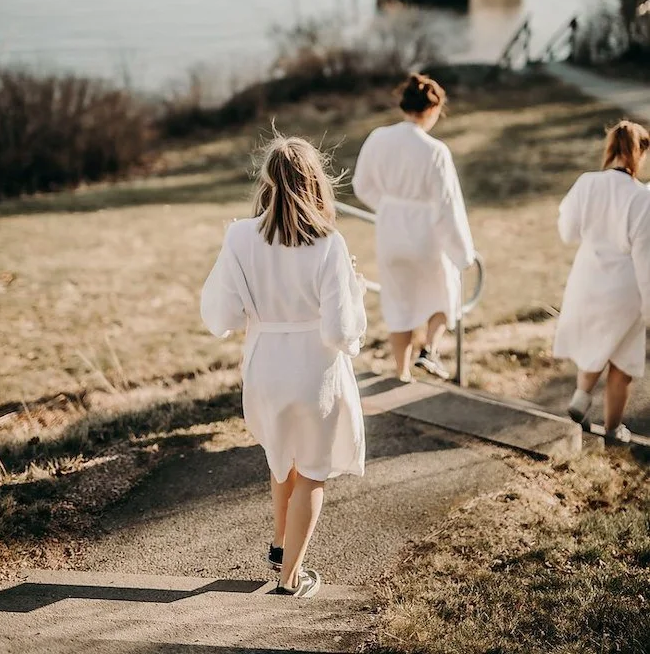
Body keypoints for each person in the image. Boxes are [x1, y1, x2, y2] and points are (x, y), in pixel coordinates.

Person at [200, 135, 366, 598]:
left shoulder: (238, 236)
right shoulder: (330, 243)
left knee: (280, 458)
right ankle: (290, 578)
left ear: (267, 180)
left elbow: (223, 314)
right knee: (312, 470)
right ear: (316, 182)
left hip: (264, 366)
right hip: (314, 370)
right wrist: (354, 288)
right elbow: (341, 330)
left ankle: (279, 545)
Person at [352, 72, 475, 382]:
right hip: (425, 234)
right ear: (432, 109)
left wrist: (388, 207)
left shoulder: (378, 138)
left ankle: (402, 372)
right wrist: (463, 253)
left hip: (390, 232)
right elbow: (447, 205)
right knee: (445, 291)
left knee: (398, 303)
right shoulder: (435, 151)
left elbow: (361, 185)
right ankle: (429, 350)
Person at [554, 120, 650, 443]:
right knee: (623, 362)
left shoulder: (587, 183)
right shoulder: (642, 198)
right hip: (625, 288)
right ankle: (612, 430)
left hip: (588, 278)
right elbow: (645, 259)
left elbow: (568, 232)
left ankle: (581, 396)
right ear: (641, 153)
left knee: (595, 343)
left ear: (611, 148)